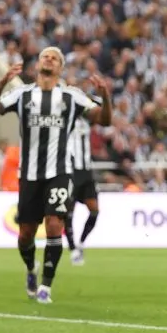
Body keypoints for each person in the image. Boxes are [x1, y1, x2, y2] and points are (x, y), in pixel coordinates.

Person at [0, 48, 112, 304]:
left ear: (60, 68)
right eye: (45, 56)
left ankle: (46, 286)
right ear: (39, 64)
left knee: (55, 224)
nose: (49, 58)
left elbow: (104, 120)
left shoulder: (71, 96)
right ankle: (31, 269)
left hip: (60, 172)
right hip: (29, 175)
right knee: (26, 235)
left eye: (55, 57)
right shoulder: (22, 94)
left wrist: (105, 97)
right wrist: (2, 82)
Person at [64, 81, 104, 266]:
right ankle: (73, 248)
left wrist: (87, 96)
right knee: (68, 212)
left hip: (86, 171)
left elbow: (100, 103)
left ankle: (81, 242)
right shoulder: (65, 116)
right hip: (70, 170)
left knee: (94, 210)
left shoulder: (87, 118)